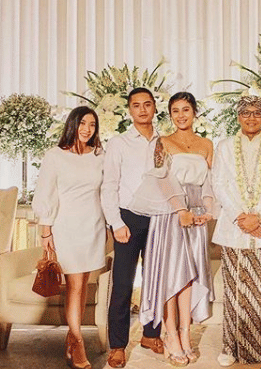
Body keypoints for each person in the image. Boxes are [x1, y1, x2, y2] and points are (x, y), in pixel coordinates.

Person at [129, 92, 215, 366]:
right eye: (175, 110)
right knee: (172, 275)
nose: (181, 115)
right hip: (170, 214)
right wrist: (180, 210)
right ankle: (171, 335)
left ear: (194, 112)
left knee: (189, 277)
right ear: (169, 114)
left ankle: (185, 334)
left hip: (196, 216)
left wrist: (207, 212)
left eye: (185, 109)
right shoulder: (162, 142)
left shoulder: (206, 144)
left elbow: (209, 182)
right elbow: (162, 179)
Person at [212, 95, 261, 367]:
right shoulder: (224, 147)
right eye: (246, 113)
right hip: (234, 228)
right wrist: (240, 217)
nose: (251, 118)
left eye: (257, 113)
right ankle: (230, 347)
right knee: (235, 291)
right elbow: (219, 184)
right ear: (238, 117)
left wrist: (260, 217)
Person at [33, 106, 106, 369]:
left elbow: (107, 191)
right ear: (72, 124)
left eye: (92, 125)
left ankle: (71, 338)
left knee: (83, 283)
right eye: (82, 123)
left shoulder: (99, 155)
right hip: (67, 228)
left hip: (94, 227)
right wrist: (46, 230)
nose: (87, 129)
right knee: (74, 285)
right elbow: (45, 192)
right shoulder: (55, 156)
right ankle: (77, 343)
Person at [101, 88, 163, 368]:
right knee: (123, 284)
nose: (142, 110)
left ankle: (151, 334)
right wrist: (116, 222)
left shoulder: (164, 142)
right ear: (129, 110)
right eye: (136, 105)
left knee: (155, 281)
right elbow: (109, 186)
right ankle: (117, 345)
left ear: (154, 107)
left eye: (147, 104)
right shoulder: (119, 143)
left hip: (159, 218)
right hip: (128, 218)